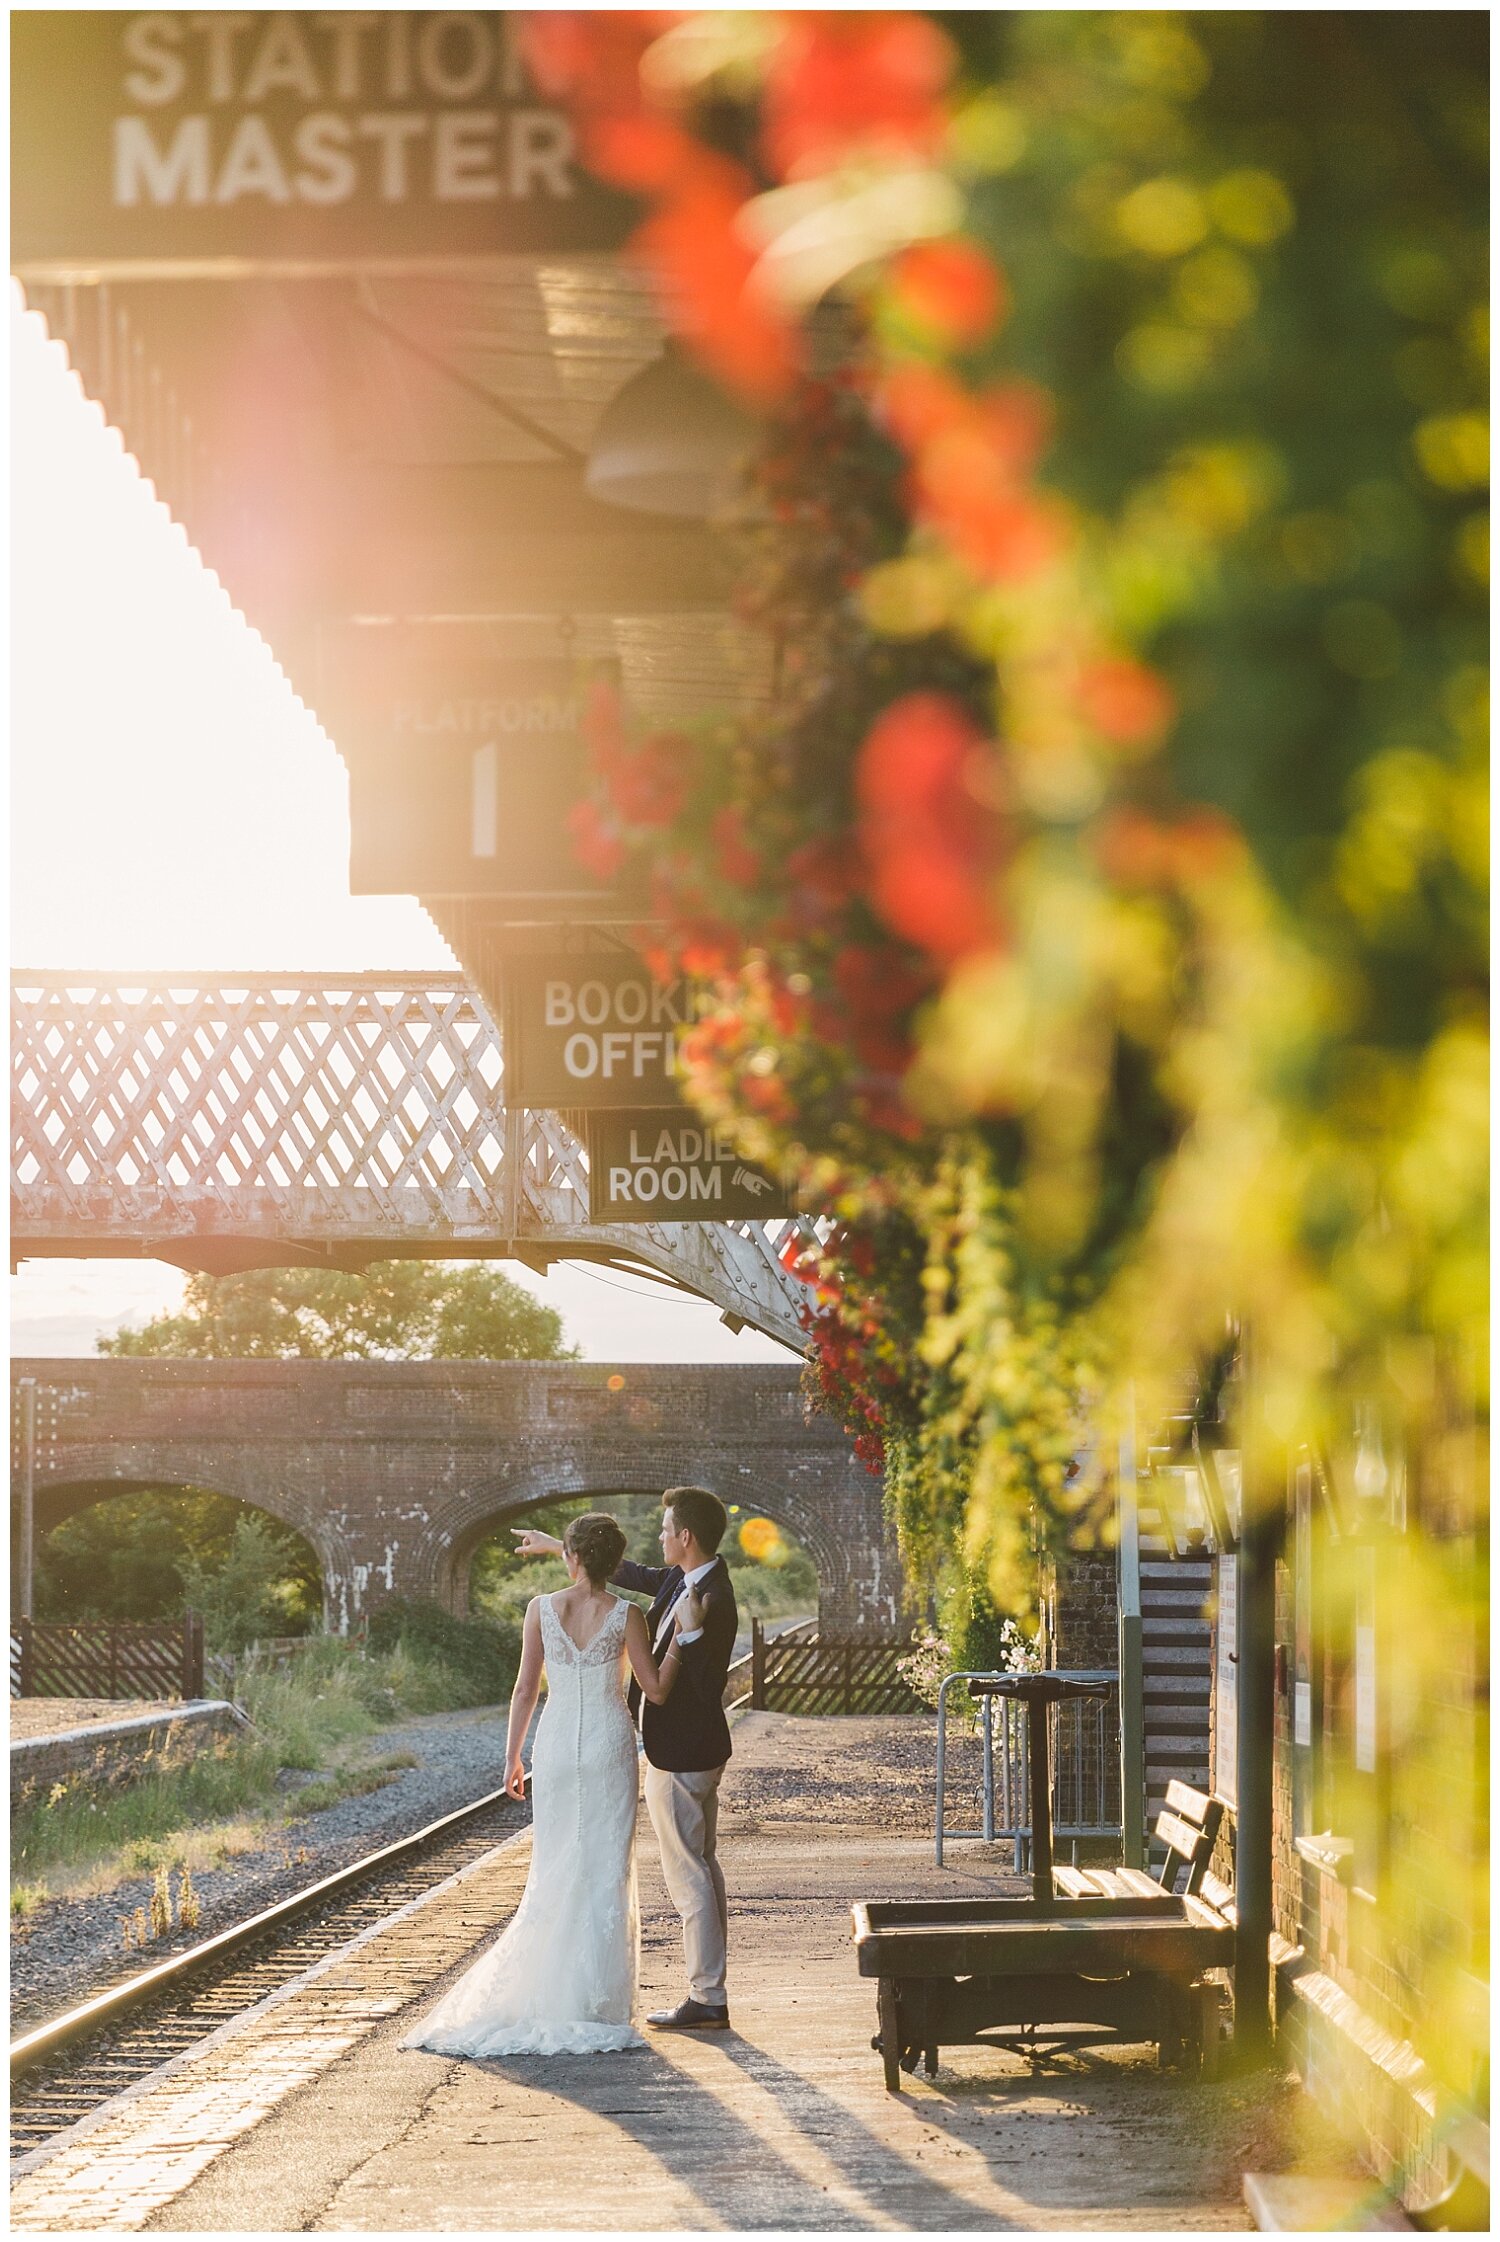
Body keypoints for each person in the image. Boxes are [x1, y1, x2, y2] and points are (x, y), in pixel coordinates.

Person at [399, 1510, 695, 2057]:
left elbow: (523, 1690)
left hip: (555, 1747)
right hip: (608, 1745)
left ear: (574, 1557)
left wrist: (513, 1757)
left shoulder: (540, 1609)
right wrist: (680, 1638)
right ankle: (595, 2003)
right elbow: (654, 1691)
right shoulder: (629, 1615)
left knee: (556, 1864)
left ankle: (547, 1989)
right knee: (604, 1868)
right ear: (613, 1561)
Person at [514, 1485, 739, 2031]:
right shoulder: (679, 1580)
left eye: (665, 1530)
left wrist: (690, 1636)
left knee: (687, 1876)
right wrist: (559, 1547)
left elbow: (706, 1687)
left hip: (683, 1753)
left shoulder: (714, 1598)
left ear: (685, 1537)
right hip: (668, 1750)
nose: (659, 1537)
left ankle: (707, 1995)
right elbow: (630, 1573)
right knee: (700, 1868)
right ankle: (707, 1989)